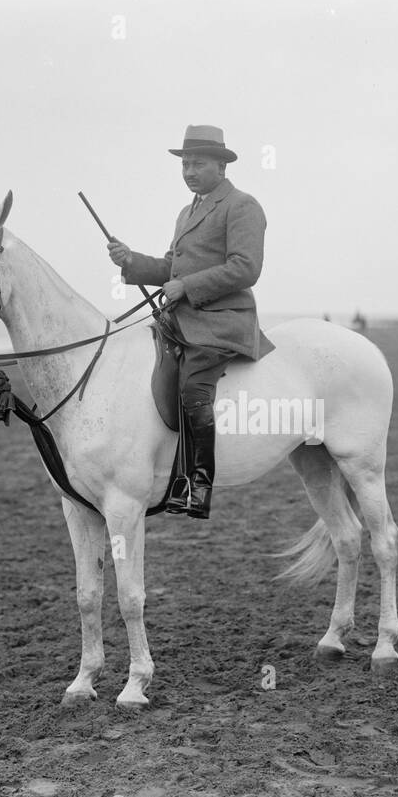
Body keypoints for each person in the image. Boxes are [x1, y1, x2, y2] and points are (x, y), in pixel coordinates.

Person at [109, 125, 274, 519]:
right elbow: (171, 266)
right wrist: (130, 261)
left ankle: (198, 484)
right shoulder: (188, 211)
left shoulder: (242, 205)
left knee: (193, 389)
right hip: (183, 318)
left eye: (197, 163)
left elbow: (246, 268)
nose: (188, 171)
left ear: (221, 165)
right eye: (184, 164)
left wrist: (187, 285)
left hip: (222, 320)